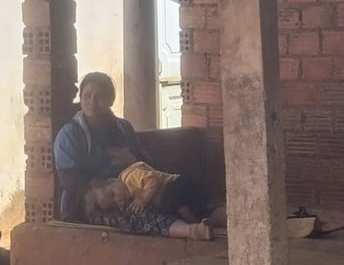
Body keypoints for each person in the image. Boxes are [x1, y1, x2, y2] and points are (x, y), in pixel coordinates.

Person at [53, 71, 225, 235]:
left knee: (181, 189)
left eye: (99, 97)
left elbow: (147, 164)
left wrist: (132, 159)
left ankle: (221, 219)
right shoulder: (70, 135)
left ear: (110, 100)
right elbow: (70, 182)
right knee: (138, 213)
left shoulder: (122, 128)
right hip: (93, 203)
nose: (92, 101)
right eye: (87, 96)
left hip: (133, 189)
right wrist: (105, 187)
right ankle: (189, 231)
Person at [83, 178, 213, 241]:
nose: (118, 200)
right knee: (149, 219)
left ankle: (198, 224)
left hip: (173, 189)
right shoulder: (125, 207)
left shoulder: (131, 175)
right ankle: (193, 229)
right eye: (114, 205)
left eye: (112, 194)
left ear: (113, 180)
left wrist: (143, 199)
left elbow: (153, 180)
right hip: (166, 207)